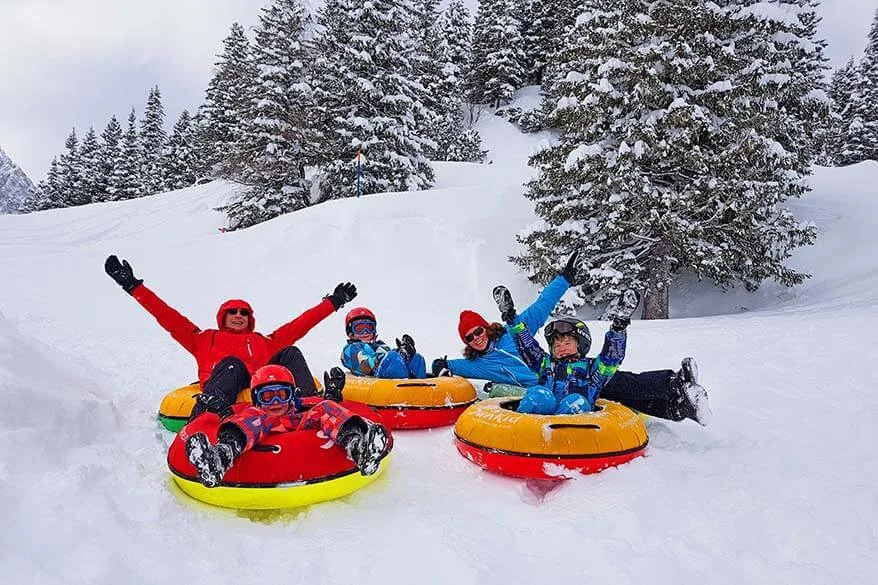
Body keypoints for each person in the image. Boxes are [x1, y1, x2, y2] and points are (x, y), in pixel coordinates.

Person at [431, 252, 711, 425]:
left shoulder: (518, 333)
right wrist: (436, 364)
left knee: (619, 381)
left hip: (578, 385)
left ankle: (677, 387)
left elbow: (542, 306)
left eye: (478, 331)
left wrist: (564, 279)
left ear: (486, 327)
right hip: (543, 391)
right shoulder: (478, 364)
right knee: (609, 390)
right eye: (469, 338)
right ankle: (678, 398)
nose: (476, 338)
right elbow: (448, 366)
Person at [104, 254, 358, 417]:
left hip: (266, 395)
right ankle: (206, 415)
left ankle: (310, 407)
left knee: (290, 352)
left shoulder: (263, 341)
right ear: (222, 318)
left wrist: (333, 302)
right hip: (224, 398)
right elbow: (166, 315)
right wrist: (133, 287)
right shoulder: (203, 339)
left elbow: (300, 325)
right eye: (232, 312)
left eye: (244, 313)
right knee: (233, 364)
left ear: (250, 319)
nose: (238, 316)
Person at [182, 365, 391, 487]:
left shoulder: (298, 411)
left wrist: (332, 398)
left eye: (282, 395)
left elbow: (322, 409)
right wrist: (226, 413)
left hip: (298, 428)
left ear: (292, 396)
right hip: (261, 432)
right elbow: (243, 419)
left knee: (326, 407)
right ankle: (219, 458)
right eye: (267, 396)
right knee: (256, 417)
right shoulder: (258, 414)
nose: (275, 403)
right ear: (257, 399)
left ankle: (358, 448)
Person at [498, 285, 638, 414]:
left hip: (574, 427)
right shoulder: (545, 364)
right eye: (557, 345)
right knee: (540, 395)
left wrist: (618, 329)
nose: (561, 348)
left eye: (567, 343)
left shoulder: (591, 370)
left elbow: (611, 359)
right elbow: (527, 346)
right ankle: (517, 433)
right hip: (538, 424)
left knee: (576, 401)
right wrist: (512, 318)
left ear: (580, 344)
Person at [340, 307, 427, 379]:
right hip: (373, 382)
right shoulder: (350, 349)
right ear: (350, 333)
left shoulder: (380, 345)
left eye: (369, 327)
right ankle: (404, 389)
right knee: (392, 357)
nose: (365, 332)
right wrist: (387, 357)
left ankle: (422, 387)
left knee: (417, 358)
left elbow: (389, 357)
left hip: (388, 376)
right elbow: (366, 365)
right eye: (359, 328)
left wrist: (405, 353)